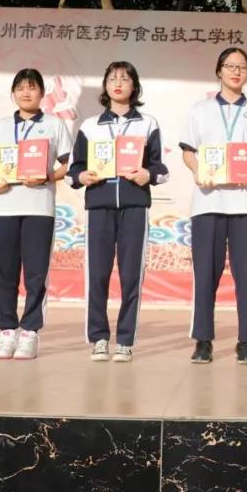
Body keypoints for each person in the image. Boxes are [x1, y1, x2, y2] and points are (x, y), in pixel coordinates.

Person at [180, 47, 247, 365]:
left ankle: (245, 341)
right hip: (208, 202)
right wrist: (198, 171)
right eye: (230, 66)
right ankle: (203, 340)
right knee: (205, 274)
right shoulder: (200, 110)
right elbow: (189, 151)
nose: (236, 71)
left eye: (242, 67)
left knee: (246, 275)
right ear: (218, 70)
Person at [68, 61, 168, 363]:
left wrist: (148, 175)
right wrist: (81, 176)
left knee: (131, 274)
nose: (118, 83)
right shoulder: (90, 125)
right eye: (112, 78)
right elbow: (74, 169)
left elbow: (159, 167)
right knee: (97, 274)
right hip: (99, 206)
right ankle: (99, 338)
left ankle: (125, 340)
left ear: (134, 86)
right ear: (105, 86)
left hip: (134, 206)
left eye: (125, 78)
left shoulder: (147, 123)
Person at [0, 68, 73, 360]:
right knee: (5, 273)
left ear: (42, 93)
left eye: (32, 88)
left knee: (36, 273)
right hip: (5, 208)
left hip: (39, 209)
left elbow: (69, 164)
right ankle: (6, 331)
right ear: (13, 93)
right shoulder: (1, 126)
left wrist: (47, 177)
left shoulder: (55, 125)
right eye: (20, 88)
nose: (26, 93)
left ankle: (30, 331)